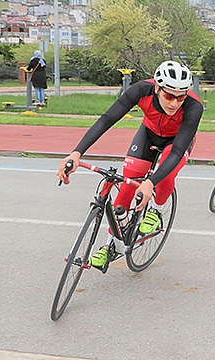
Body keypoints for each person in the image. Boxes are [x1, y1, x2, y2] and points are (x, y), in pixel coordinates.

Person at [56, 61, 203, 268]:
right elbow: (106, 120)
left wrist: (151, 182)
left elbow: (178, 151)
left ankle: (155, 210)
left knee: (166, 175)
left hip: (177, 141)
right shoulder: (140, 90)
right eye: (169, 96)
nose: (175, 103)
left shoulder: (194, 107)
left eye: (181, 97)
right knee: (128, 182)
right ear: (157, 89)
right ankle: (110, 245)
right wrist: (77, 152)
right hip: (149, 134)